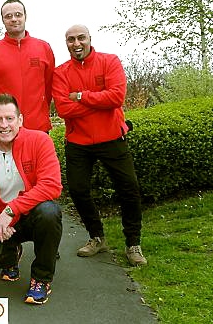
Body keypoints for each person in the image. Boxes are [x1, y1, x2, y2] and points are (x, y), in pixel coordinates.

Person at [52, 24, 147, 266]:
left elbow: (116, 97)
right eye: (71, 39)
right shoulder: (61, 72)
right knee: (78, 190)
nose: (76, 43)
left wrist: (82, 96)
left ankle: (133, 243)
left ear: (90, 39)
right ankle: (97, 237)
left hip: (113, 137)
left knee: (129, 189)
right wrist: (99, 99)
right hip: (78, 142)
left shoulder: (109, 61)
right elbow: (63, 109)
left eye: (80, 38)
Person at [0, 93, 62, 304]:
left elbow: (52, 186)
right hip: (1, 221)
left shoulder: (40, 141)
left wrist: (11, 210)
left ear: (20, 120)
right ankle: (11, 254)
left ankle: (41, 278)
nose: (4, 125)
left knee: (50, 212)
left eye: (10, 118)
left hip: (30, 216)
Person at [0, 0, 55, 132]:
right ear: (3, 20)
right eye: (8, 16)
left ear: (25, 17)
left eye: (18, 14)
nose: (14, 19)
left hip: (38, 126)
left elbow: (49, 86)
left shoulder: (43, 48)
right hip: (6, 129)